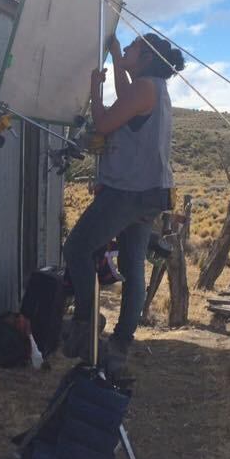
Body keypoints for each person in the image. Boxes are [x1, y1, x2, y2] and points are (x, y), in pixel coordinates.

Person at [62, 32, 184, 375]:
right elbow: (124, 92)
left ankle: (87, 320)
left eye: (132, 46)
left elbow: (103, 122)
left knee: (77, 249)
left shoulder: (145, 88)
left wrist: (94, 89)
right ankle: (121, 343)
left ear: (145, 56)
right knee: (133, 269)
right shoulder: (151, 88)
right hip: (150, 192)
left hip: (129, 191)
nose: (128, 48)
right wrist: (115, 52)